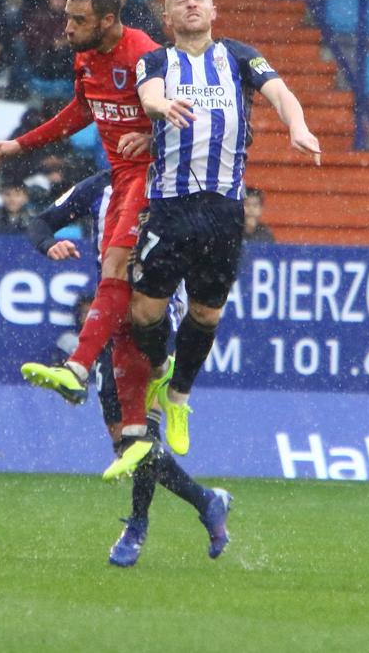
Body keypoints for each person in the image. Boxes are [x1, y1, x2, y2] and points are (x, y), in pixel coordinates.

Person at [0, 0, 160, 478]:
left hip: (157, 180)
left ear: (107, 20)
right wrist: (19, 145)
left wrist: (156, 137)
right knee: (122, 308)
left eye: (78, 20)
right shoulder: (87, 59)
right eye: (67, 17)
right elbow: (81, 110)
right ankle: (145, 434)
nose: (68, 26)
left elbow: (191, 114)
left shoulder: (143, 53)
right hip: (124, 179)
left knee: (120, 276)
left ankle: (80, 369)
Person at [128, 0, 320, 457]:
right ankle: (158, 368)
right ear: (167, 19)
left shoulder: (238, 56)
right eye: (179, 0)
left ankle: (179, 397)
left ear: (213, 12)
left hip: (223, 210)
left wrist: (297, 125)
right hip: (170, 206)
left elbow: (280, 93)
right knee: (144, 312)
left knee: (206, 312)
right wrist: (159, 107)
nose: (190, 4)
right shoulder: (156, 61)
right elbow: (149, 95)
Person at [27, 165, 232, 566]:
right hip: (110, 321)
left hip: (151, 320)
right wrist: (48, 243)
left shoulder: (174, 185)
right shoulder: (99, 186)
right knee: (127, 444)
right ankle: (207, 501)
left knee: (142, 435)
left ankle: (137, 527)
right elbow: (40, 221)